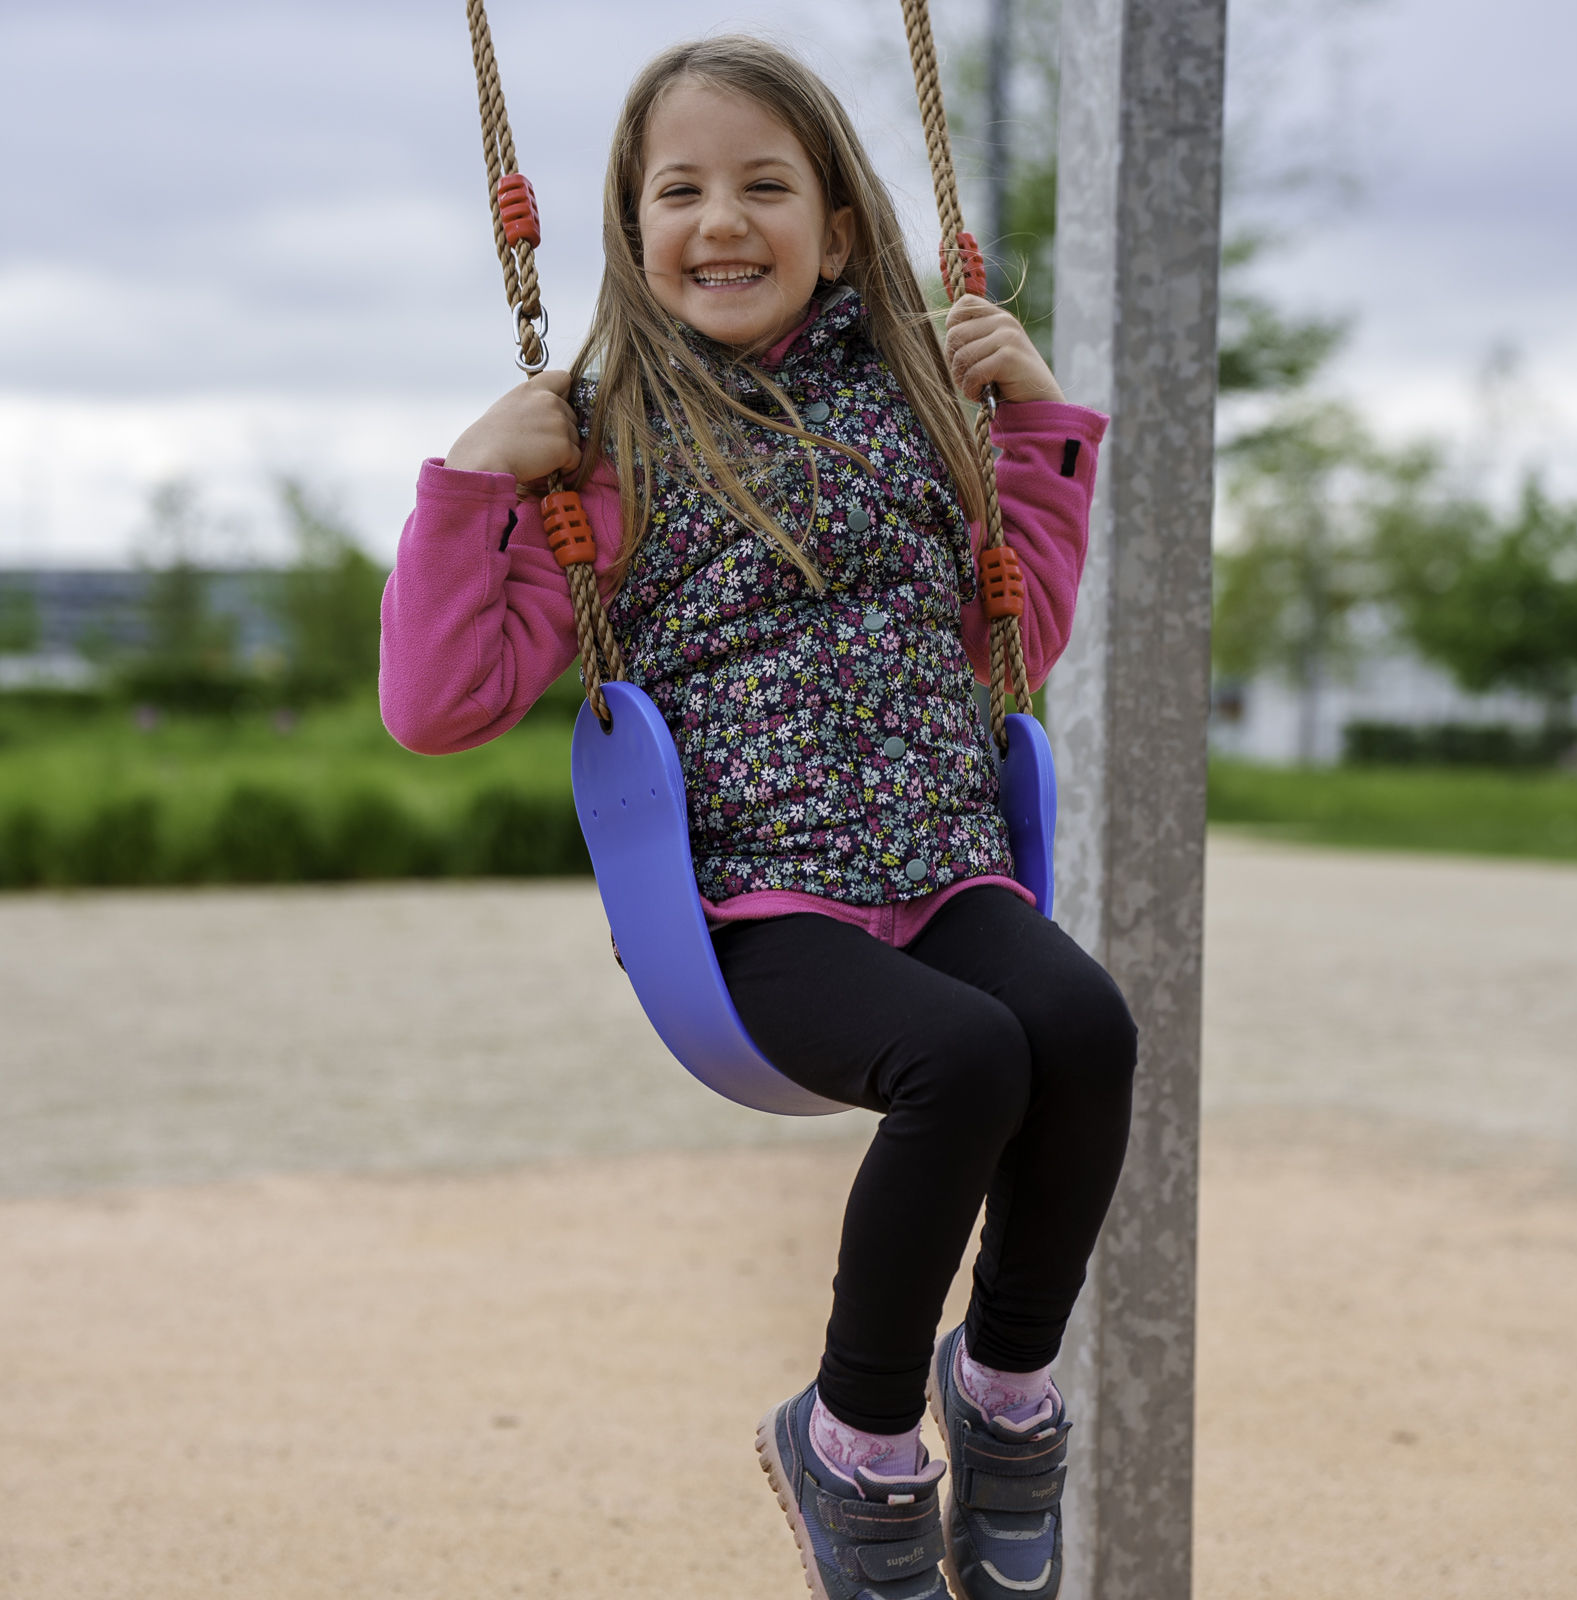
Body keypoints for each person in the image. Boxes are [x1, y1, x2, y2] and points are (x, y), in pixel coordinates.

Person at [380, 36, 1137, 1600]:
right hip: (761, 908)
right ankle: (855, 1444)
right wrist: (469, 486)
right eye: (682, 190)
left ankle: (1002, 1398)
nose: (720, 219)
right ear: (629, 229)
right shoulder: (604, 446)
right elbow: (440, 704)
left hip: (940, 867)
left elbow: (1012, 648)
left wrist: (1040, 428)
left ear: (842, 226)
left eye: (763, 185)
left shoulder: (920, 406)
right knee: (967, 1056)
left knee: (1083, 1022)